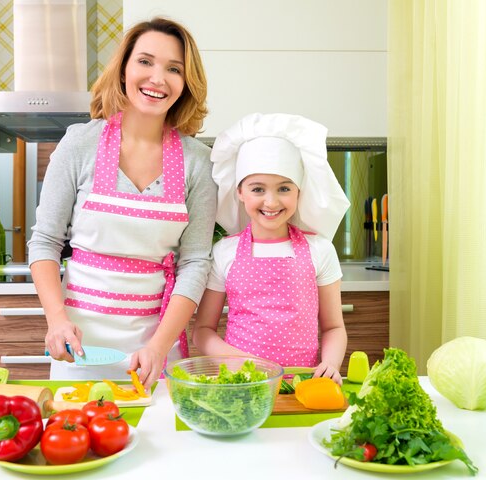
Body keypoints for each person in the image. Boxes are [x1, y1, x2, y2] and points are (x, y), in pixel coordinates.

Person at [28, 17, 217, 388]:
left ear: (186, 83)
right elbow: (45, 242)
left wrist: (159, 346)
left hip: (154, 351)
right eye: (145, 61)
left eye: (174, 69)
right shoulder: (80, 144)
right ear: (124, 69)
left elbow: (195, 261)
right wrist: (56, 319)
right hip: (78, 345)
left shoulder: (197, 161)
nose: (157, 78)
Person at [192, 113, 350, 383]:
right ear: (239, 192)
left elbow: (334, 327)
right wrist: (237, 362)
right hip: (241, 382)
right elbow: (203, 330)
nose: (271, 201)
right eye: (257, 189)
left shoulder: (320, 250)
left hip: (304, 384)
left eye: (284, 188)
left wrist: (331, 364)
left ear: (299, 192)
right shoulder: (224, 252)